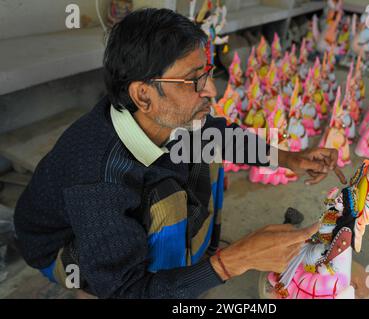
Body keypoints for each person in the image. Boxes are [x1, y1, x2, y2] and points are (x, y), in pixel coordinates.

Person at [14, 9, 345, 299]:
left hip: (107, 220)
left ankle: (195, 263)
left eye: (206, 73)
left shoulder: (158, 115)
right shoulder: (97, 178)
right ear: (144, 95)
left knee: (204, 147)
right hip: (62, 247)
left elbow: (218, 134)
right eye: (192, 80)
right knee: (166, 200)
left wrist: (288, 158)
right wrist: (235, 262)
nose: (211, 89)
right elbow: (125, 290)